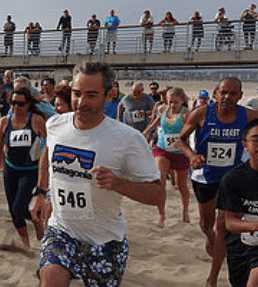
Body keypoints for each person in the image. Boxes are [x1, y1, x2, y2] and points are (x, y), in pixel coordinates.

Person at [29, 62, 164, 287]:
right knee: (50, 279)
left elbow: (158, 195)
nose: (81, 102)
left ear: (109, 95)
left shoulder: (127, 139)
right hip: (61, 230)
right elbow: (47, 154)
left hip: (105, 240)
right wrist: (41, 192)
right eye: (76, 93)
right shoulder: (55, 125)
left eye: (91, 95)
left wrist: (119, 184)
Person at [174, 78, 258, 287]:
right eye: (223, 92)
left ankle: (213, 277)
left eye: (232, 93)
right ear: (215, 94)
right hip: (205, 176)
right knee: (206, 225)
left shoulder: (248, 116)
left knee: (222, 226)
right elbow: (180, 140)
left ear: (240, 96)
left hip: (231, 178)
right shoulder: (202, 114)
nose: (227, 97)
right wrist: (191, 155)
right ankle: (212, 240)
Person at [0, 87, 47, 251]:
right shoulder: (5, 121)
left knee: (19, 207)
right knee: (13, 211)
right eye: (13, 103)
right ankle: (25, 244)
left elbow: (50, 142)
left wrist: (46, 158)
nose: (16, 107)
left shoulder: (36, 120)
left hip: (30, 170)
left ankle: (36, 220)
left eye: (20, 104)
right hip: (11, 169)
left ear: (28, 104)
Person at [142, 87, 191, 228]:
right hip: (162, 149)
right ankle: (161, 214)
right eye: (170, 102)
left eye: (175, 102)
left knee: (181, 186)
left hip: (180, 152)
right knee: (161, 180)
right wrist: (146, 131)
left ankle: (185, 211)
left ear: (182, 101)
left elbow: (193, 128)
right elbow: (157, 121)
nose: (172, 105)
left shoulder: (186, 114)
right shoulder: (163, 109)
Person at [217, 119, 258, 287]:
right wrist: (255, 226)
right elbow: (230, 222)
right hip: (241, 248)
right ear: (245, 145)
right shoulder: (233, 179)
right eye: (256, 140)